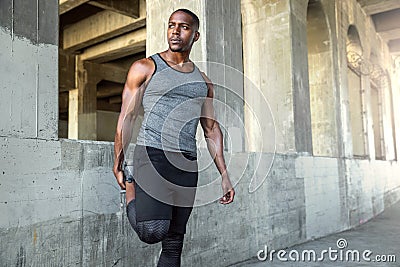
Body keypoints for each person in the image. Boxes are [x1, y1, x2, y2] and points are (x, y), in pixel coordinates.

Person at [113, 8, 235, 266]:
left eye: (184, 27)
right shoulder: (145, 67)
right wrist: (119, 159)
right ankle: (133, 187)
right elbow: (128, 116)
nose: (176, 31)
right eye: (171, 25)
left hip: (186, 164)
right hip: (151, 155)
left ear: (196, 35)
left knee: (174, 242)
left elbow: (211, 129)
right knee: (152, 231)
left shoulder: (203, 81)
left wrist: (224, 175)